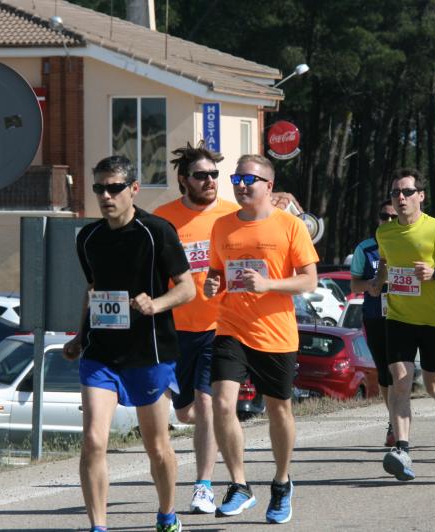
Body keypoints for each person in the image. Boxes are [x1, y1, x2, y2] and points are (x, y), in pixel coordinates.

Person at [63, 156, 195, 532]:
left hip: (149, 351)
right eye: (99, 188)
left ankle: (167, 514)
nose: (106, 195)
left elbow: (188, 288)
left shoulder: (156, 231)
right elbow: (93, 291)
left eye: (114, 188)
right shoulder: (88, 238)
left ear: (133, 189)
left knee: (156, 445)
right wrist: (79, 335)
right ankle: (98, 527)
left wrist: (156, 304)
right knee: (92, 440)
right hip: (101, 353)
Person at [204, 154, 318, 524]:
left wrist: (269, 284)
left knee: (278, 409)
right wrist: (211, 282)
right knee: (222, 404)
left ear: (269, 185)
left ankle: (282, 483)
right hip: (230, 327)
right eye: (236, 178)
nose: (240, 184)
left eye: (248, 179)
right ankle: (239, 485)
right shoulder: (222, 226)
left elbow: (309, 280)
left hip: (275, 334)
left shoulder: (289, 226)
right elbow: (217, 272)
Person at [369, 168, 435, 481]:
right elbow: (386, 262)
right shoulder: (384, 233)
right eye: (395, 193)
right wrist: (378, 280)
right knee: (400, 381)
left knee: (433, 385)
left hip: (433, 321)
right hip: (398, 317)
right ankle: (402, 449)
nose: (400, 198)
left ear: (420, 196)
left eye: (407, 192)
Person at [153, 141, 239, 514]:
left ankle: (203, 485)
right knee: (185, 412)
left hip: (216, 326)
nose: (210, 181)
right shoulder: (162, 218)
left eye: (214, 175)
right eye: (201, 175)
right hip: (173, 330)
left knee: (207, 404)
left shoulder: (232, 215)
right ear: (183, 180)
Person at [349, 199, 397, 447]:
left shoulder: (408, 244)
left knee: (400, 370)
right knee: (385, 373)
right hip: (376, 316)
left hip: (406, 315)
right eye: (383, 216)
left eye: (393, 216)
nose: (388, 221)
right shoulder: (365, 249)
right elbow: (354, 284)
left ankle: (400, 421)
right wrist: (371, 285)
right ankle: (394, 419)